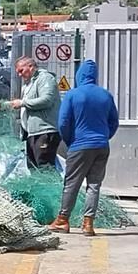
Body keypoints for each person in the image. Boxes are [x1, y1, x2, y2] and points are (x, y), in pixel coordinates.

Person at [50, 59, 119, 236]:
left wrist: (70, 140)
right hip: (101, 146)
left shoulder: (73, 95)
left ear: (80, 75)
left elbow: (63, 122)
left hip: (79, 145)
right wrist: (104, 136)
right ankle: (88, 224)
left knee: (72, 183)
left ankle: (63, 220)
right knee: (94, 185)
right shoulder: (106, 95)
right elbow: (114, 122)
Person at [6, 56, 62, 169]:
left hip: (45, 131)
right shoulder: (28, 84)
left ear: (31, 67)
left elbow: (46, 100)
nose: (20, 75)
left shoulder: (45, 78)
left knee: (44, 167)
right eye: (18, 73)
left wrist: (22, 103)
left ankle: (49, 187)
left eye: (21, 71)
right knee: (33, 167)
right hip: (32, 133)